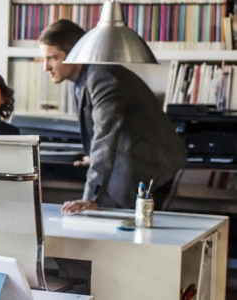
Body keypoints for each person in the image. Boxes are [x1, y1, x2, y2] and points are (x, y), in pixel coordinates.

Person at [38, 19, 188, 213]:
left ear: (75, 53)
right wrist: (93, 157)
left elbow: (104, 135)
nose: (45, 67)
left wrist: (90, 197)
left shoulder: (102, 77)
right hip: (133, 164)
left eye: (52, 58)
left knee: (136, 236)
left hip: (152, 169)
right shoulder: (83, 79)